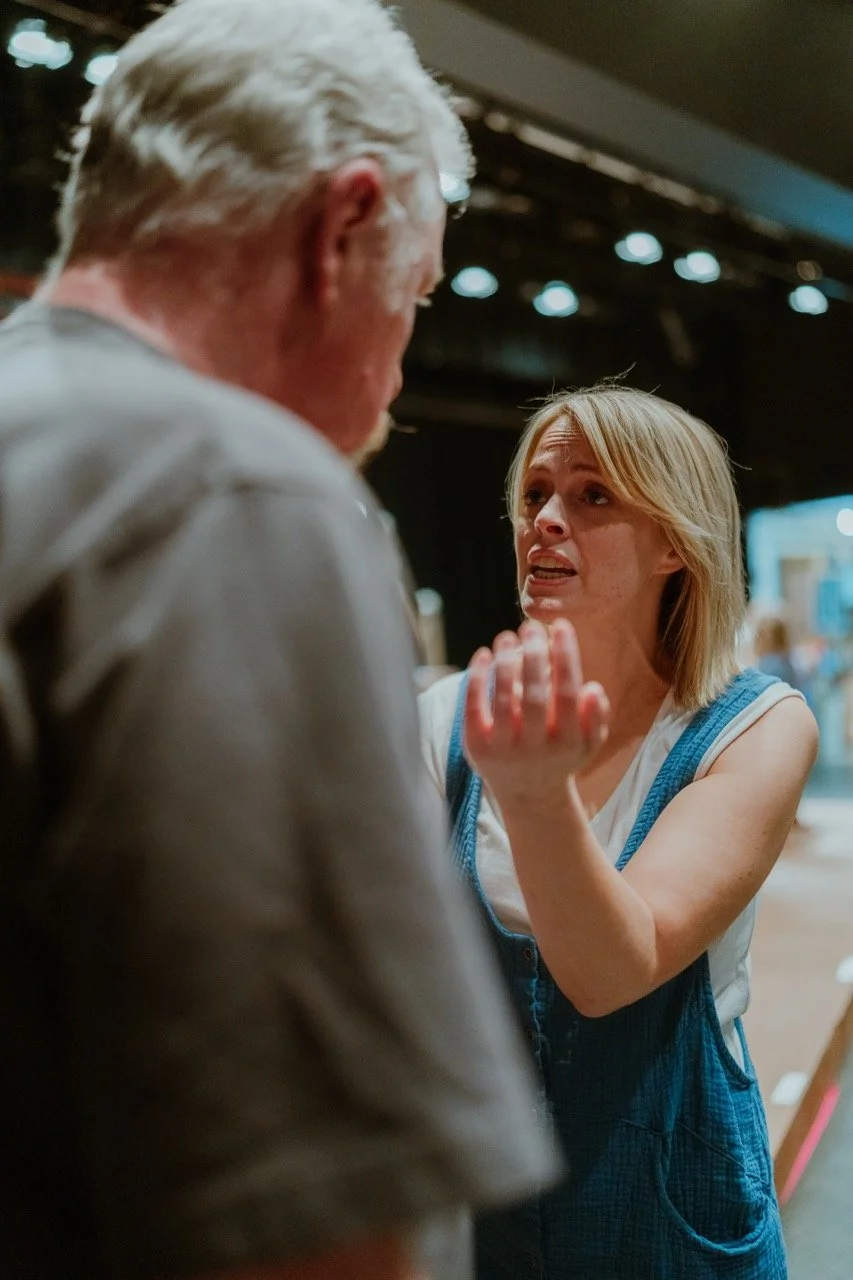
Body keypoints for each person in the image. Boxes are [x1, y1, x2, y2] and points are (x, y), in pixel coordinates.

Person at [0, 2, 562, 1277]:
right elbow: (318, 1217)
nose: (399, 378)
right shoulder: (232, 489)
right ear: (342, 227)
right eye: (413, 301)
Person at [420, 385, 819, 1279]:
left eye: (593, 495)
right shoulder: (445, 720)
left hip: (671, 1210)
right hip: (478, 1220)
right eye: (535, 495)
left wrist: (530, 796)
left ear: (675, 540)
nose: (547, 520)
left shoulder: (753, 729)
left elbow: (611, 973)